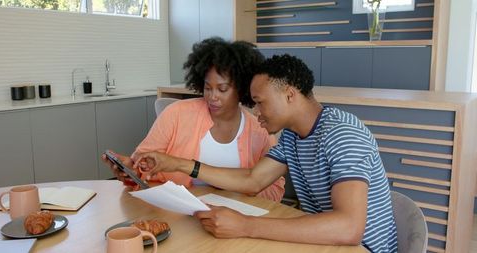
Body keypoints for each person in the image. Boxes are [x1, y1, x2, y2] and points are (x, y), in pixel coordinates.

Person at [133, 54, 398, 252]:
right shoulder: (293, 136)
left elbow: (349, 227)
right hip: (325, 243)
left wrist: (246, 225)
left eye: (260, 102)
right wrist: (179, 164)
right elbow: (252, 179)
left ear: (290, 95)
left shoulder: (343, 134)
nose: (256, 112)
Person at [103, 37, 285, 202]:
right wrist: (130, 170)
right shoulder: (176, 114)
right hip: (179, 212)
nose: (212, 96)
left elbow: (275, 191)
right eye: (207, 88)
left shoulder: (259, 131)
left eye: (222, 89)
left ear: (242, 89)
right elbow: (142, 169)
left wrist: (235, 188)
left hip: (233, 220)